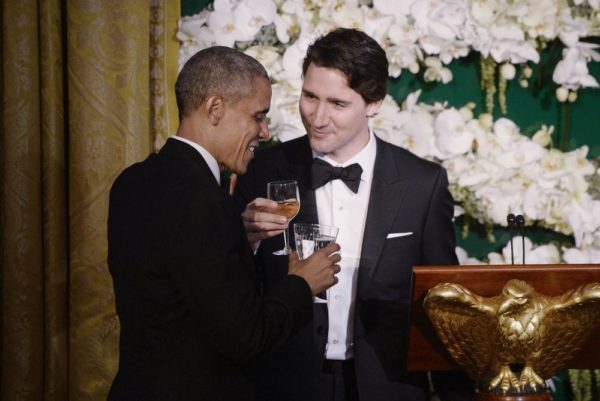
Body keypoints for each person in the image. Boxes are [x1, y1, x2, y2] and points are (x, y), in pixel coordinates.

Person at [234, 28, 471, 401]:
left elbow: (446, 306)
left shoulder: (423, 184)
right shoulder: (263, 170)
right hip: (284, 386)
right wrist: (245, 240)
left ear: (374, 103)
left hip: (389, 387)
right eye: (310, 96)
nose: (318, 117)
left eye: (337, 103)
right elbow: (232, 293)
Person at [107, 46, 342, 401]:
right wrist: (301, 283)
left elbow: (178, 282)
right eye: (257, 116)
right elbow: (247, 338)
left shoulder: (133, 181)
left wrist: (240, 240)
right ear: (215, 108)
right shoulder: (205, 199)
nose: (264, 132)